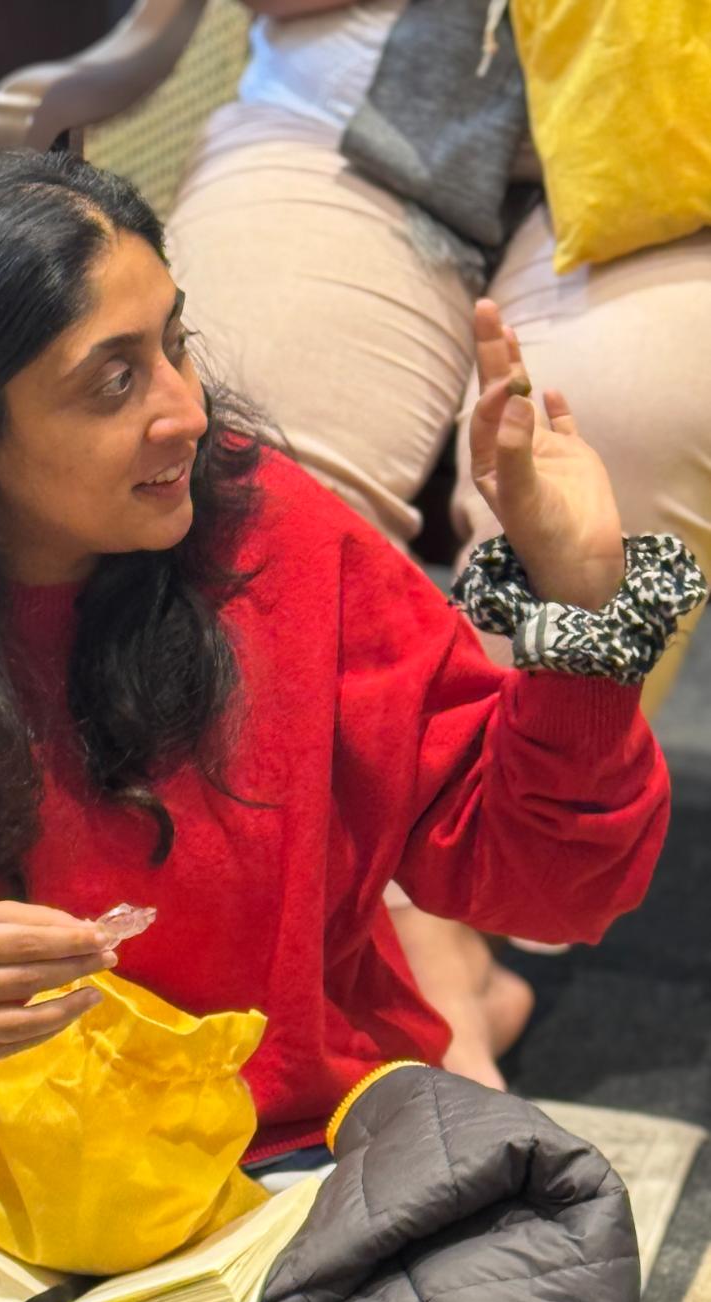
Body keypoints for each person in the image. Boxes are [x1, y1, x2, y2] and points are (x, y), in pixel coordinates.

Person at [0, 149, 690, 1148]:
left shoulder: (278, 538)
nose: (187, 411)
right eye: (113, 382)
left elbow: (556, 888)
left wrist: (581, 601)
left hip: (292, 1161)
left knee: (554, 1242)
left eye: (174, 344)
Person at [163, 0, 711, 1086]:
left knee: (625, 431)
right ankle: (337, 918)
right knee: (234, 442)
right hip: (340, 116)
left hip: (678, 160)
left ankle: (463, 912)